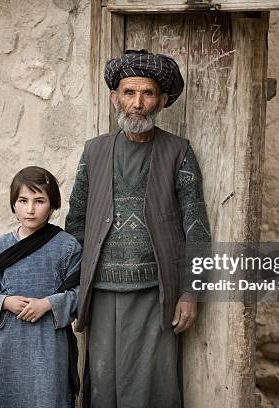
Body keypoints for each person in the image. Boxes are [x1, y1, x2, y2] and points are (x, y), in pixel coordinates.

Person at [65, 49, 211, 408]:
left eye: (147, 94)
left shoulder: (178, 151)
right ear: (115, 98)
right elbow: (76, 222)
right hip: (99, 293)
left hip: (155, 294)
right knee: (102, 387)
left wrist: (191, 294)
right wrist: (69, 289)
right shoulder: (94, 151)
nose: (137, 103)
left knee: (153, 389)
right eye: (129, 93)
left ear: (161, 100)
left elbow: (197, 227)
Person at [0, 166, 81, 408]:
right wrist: (5, 302)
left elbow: (81, 294)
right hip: (9, 346)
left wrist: (48, 304)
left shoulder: (67, 247)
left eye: (39, 200)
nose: (30, 209)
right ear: (13, 204)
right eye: (23, 200)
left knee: (47, 398)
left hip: (49, 347)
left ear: (52, 205)